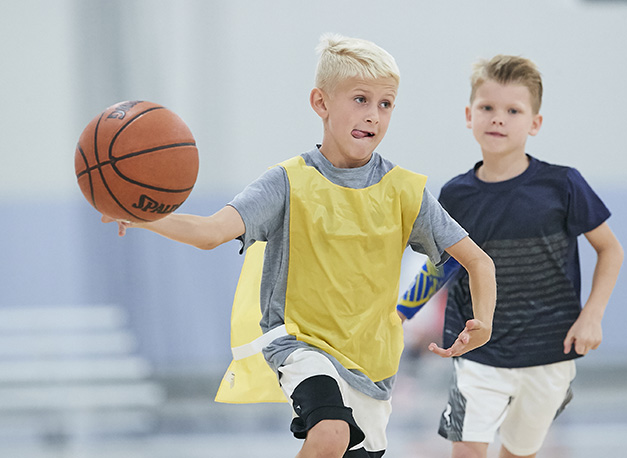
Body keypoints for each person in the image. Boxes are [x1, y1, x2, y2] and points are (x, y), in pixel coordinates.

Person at [102, 34, 496, 458]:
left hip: (372, 363)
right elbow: (212, 232)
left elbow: (478, 261)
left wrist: (484, 322)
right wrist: (145, 216)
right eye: (360, 99)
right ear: (321, 103)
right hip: (299, 341)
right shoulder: (287, 182)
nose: (374, 115)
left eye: (386, 104)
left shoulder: (405, 192)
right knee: (330, 432)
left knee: (344, 444)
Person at [397, 55, 624, 458]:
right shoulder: (455, 194)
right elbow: (443, 265)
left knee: (519, 452)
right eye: (487, 108)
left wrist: (592, 314)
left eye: (512, 110)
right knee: (466, 450)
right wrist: (399, 314)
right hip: (476, 351)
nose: (498, 118)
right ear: (470, 115)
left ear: (534, 123)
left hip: (547, 352)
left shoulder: (563, 184)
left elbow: (610, 249)